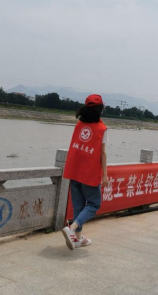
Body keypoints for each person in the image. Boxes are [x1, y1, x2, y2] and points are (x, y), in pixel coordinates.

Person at [61, 94, 109, 250]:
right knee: (94, 204)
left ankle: (78, 239)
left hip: (75, 171)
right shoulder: (102, 129)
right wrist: (105, 174)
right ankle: (72, 229)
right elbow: (102, 153)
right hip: (89, 173)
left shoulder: (79, 125)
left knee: (78, 205)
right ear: (100, 109)